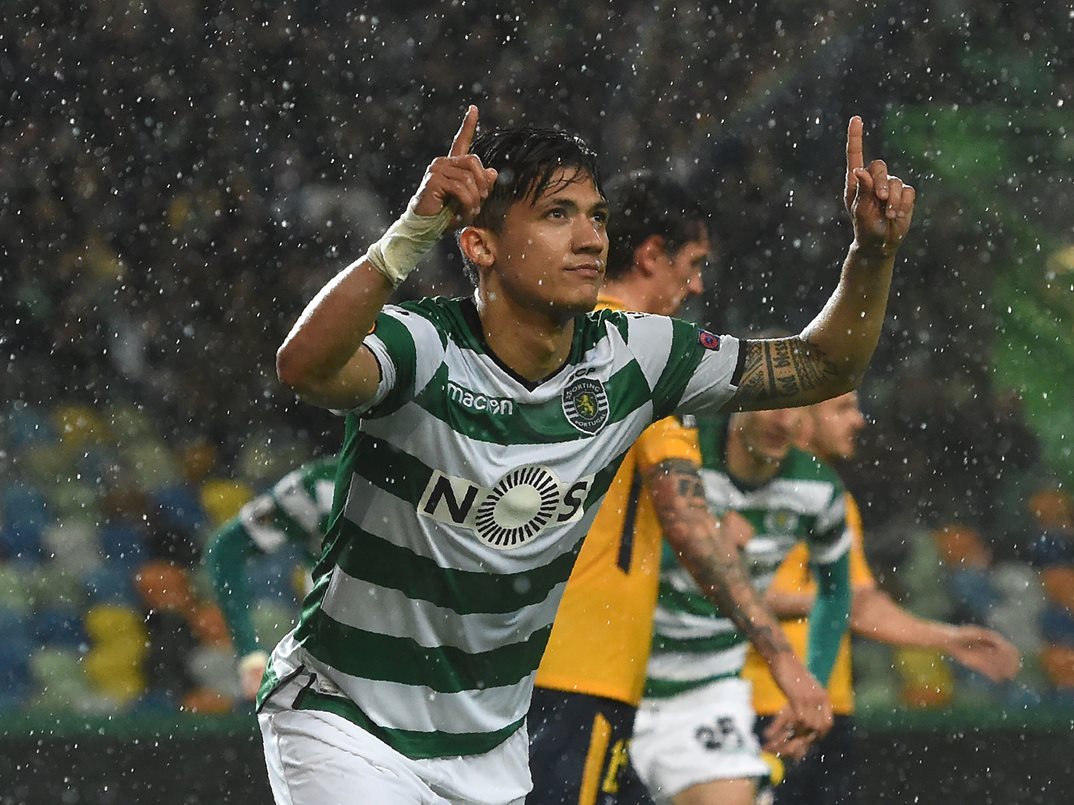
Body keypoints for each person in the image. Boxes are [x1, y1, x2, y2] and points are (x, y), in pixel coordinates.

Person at [257, 105, 916, 804]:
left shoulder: (636, 353)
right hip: (347, 720)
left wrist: (870, 255)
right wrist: (412, 233)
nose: (589, 238)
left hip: (487, 750)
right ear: (479, 245)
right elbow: (305, 367)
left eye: (597, 217)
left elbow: (822, 367)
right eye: (556, 215)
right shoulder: (423, 346)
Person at [530, 172, 818, 805]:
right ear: (650, 254)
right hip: (585, 663)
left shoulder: (546, 335)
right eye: (692, 265)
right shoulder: (645, 354)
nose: (697, 286)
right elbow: (687, 526)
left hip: (513, 655)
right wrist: (782, 658)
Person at [743, 392, 1021, 805]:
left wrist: (946, 639)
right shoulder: (750, 484)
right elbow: (723, 590)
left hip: (827, 712)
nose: (859, 421)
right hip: (760, 708)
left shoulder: (832, 497)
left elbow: (861, 602)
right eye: (841, 408)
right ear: (799, 416)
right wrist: (826, 601)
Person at [628, 405, 852, 805]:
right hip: (615, 675)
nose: (784, 421)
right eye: (774, 406)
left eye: (798, 410)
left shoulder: (818, 490)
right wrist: (700, 545)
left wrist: (808, 689)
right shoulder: (681, 453)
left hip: (705, 691)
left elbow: (836, 595)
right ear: (742, 401)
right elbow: (619, 552)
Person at [203, 456, 339, 700]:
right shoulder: (319, 487)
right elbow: (226, 550)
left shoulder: (426, 483)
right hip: (337, 663)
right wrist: (250, 652)